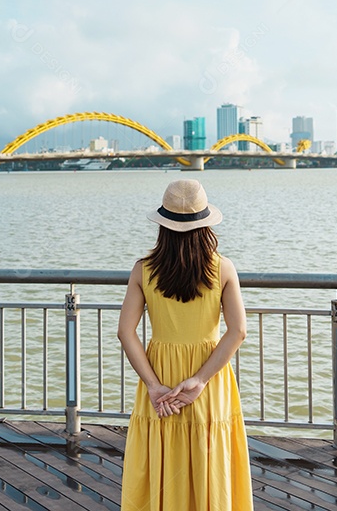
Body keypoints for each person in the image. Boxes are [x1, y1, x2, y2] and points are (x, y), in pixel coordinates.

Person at [118, 178, 253, 510]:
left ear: (163, 226)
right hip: (208, 374)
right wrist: (200, 379)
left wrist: (152, 384)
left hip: (160, 372)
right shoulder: (222, 269)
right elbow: (237, 332)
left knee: (162, 455)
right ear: (205, 225)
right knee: (209, 456)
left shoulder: (143, 270)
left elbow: (125, 332)